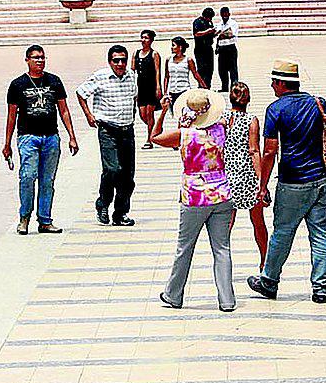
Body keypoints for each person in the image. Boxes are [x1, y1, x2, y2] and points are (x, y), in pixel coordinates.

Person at [247, 59, 326, 304]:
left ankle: (269, 281)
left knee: (283, 233)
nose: (271, 87)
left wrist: (262, 184)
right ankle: (321, 289)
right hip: (321, 180)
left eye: (273, 82)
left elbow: (269, 151)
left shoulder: (275, 109)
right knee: (320, 233)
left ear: (280, 83)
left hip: (292, 183)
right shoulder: (318, 103)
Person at [152, 88, 235, 312]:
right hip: (221, 192)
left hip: (194, 195)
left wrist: (162, 112)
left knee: (185, 247)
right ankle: (227, 300)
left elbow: (155, 137)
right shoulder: (221, 130)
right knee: (222, 248)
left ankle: (173, 294)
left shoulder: (184, 134)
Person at [2, 45, 79, 235]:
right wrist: (7, 144)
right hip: (28, 137)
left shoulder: (54, 81)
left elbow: (64, 110)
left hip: (51, 137)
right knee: (27, 176)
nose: (39, 61)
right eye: (35, 58)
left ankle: (45, 220)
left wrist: (72, 136)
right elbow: (11, 115)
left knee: (47, 180)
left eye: (42, 57)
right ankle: (24, 217)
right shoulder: (17, 85)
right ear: (27, 60)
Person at [77, 44, 140, 227]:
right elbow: (81, 93)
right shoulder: (100, 76)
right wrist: (89, 115)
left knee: (127, 176)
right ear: (109, 61)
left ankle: (120, 213)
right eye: (116, 60)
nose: (120, 64)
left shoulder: (131, 77)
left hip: (127, 131)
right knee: (112, 169)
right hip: (108, 130)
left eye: (123, 60)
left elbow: (134, 98)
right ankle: (103, 203)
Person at [224, 81, 270, 270]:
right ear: (248, 100)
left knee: (226, 224)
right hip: (247, 176)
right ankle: (264, 261)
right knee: (258, 221)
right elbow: (253, 150)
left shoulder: (222, 118)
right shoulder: (252, 120)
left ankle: (223, 262)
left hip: (227, 176)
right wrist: (262, 183)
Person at [160, 36, 204, 119]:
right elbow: (166, 77)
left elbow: (195, 74)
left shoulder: (188, 60)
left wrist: (204, 86)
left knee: (184, 115)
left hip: (184, 91)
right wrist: (165, 93)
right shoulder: (168, 60)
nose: (171, 47)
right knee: (176, 115)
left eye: (173, 45)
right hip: (172, 92)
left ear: (180, 47)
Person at [133, 30, 163, 149]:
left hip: (151, 86)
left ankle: (149, 139)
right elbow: (132, 70)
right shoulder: (136, 53)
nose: (143, 40)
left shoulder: (154, 54)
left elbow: (157, 71)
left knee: (149, 114)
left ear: (151, 40)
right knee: (142, 115)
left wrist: (158, 87)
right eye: (142, 37)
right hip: (141, 86)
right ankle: (157, 129)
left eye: (146, 38)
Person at [215, 6, 240, 92]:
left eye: (226, 13)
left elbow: (231, 34)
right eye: (223, 14)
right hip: (222, 48)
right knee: (222, 69)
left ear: (229, 14)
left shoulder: (233, 23)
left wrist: (222, 34)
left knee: (233, 69)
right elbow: (217, 35)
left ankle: (234, 87)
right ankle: (224, 87)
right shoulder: (219, 24)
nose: (225, 15)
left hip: (230, 47)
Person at [192, 7, 217, 91]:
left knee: (210, 69)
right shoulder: (198, 22)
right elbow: (196, 33)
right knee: (202, 69)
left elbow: (211, 33)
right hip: (200, 49)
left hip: (209, 48)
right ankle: (201, 86)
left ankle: (208, 85)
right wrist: (207, 31)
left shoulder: (209, 22)